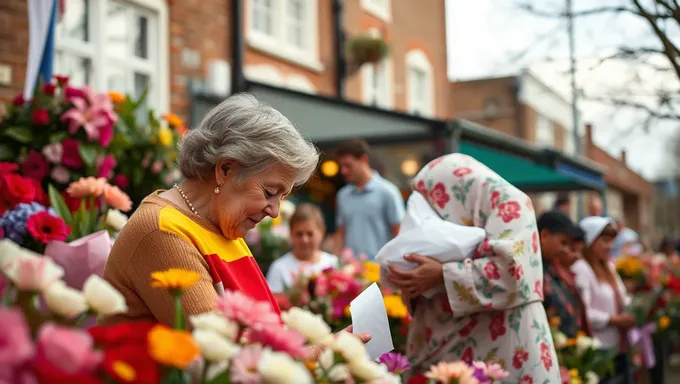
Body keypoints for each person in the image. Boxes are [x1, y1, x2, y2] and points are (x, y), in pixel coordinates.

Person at [101, 94, 371, 348]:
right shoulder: (161, 230)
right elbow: (221, 354)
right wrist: (322, 354)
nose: (275, 212)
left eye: (282, 197)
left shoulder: (222, 226)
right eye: (269, 192)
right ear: (225, 169)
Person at [387, 154, 560, 383]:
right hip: (456, 352)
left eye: (432, 199)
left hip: (508, 343)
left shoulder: (510, 205)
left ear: (457, 189)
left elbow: (513, 274)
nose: (426, 209)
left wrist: (441, 275)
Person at [572, 216, 634, 384]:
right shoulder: (582, 269)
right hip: (600, 349)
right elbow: (582, 311)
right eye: (605, 241)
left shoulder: (609, 267)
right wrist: (613, 319)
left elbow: (621, 298)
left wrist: (635, 308)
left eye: (612, 241)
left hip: (619, 346)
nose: (611, 246)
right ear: (589, 242)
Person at [334, 139, 405, 260]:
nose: (343, 171)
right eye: (342, 166)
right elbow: (341, 233)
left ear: (363, 160)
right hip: (350, 271)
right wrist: (336, 262)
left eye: (348, 165)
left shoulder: (388, 192)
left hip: (379, 270)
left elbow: (399, 233)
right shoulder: (342, 195)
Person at [538, 211, 592, 338]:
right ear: (544, 235)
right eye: (563, 243)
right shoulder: (534, 271)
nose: (566, 250)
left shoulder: (552, 271)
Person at [266, 203, 339, 292]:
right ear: (290, 234)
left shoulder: (333, 263)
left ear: (322, 232)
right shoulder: (278, 268)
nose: (304, 240)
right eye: (299, 234)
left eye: (310, 234)